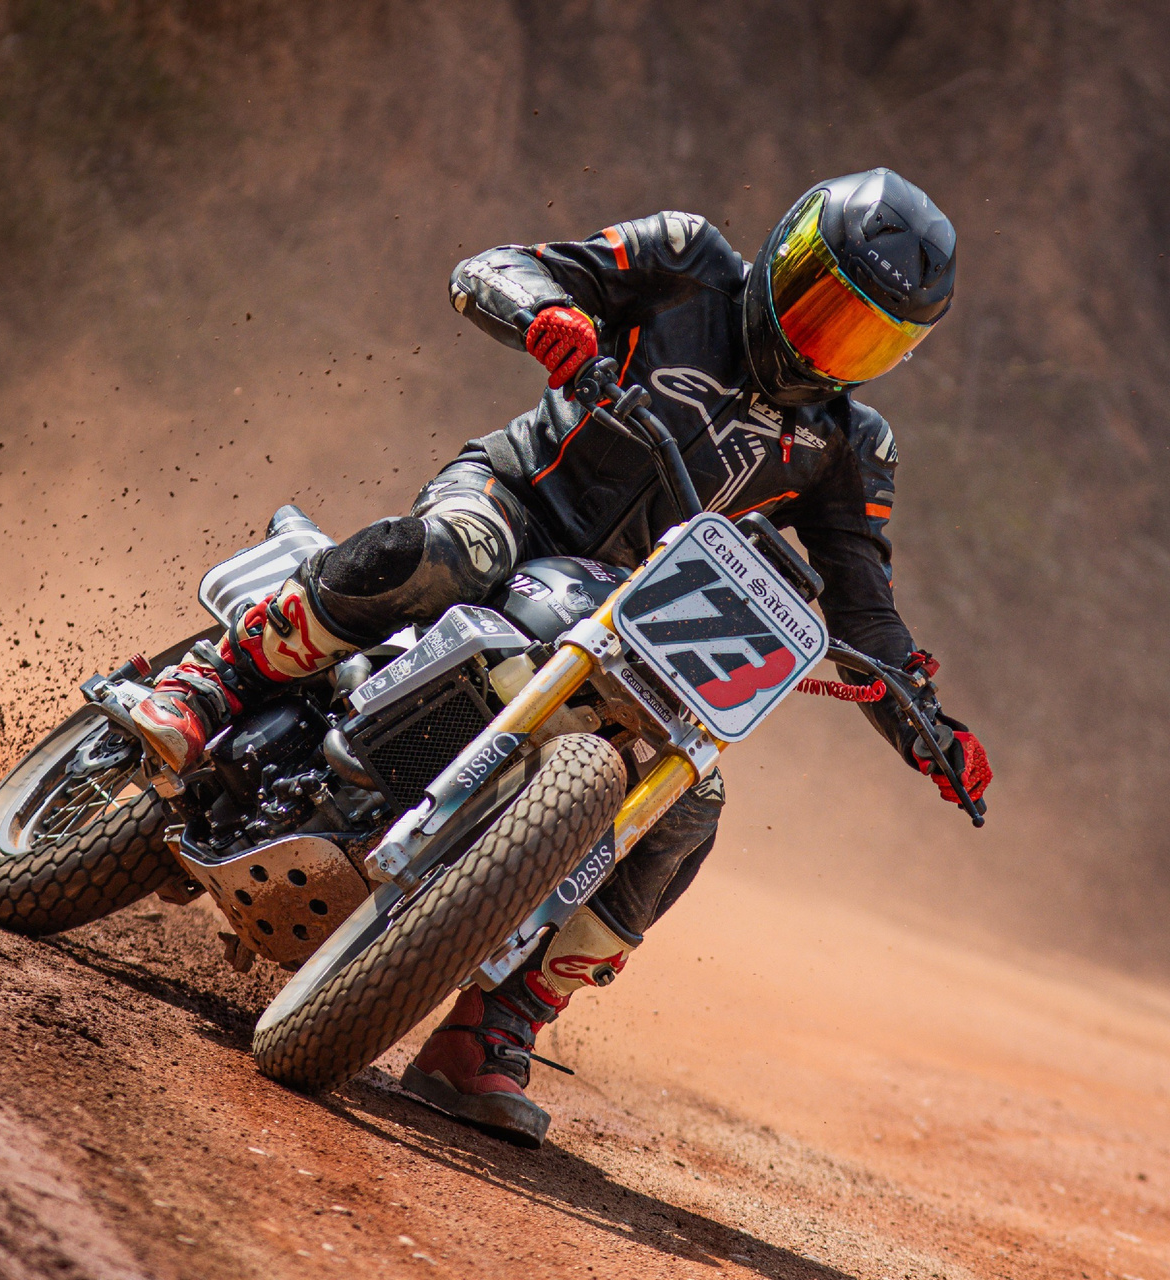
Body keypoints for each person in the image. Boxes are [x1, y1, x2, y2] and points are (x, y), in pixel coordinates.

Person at [130, 168, 993, 1146]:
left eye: (865, 337)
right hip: (518, 506)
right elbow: (495, 267)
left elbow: (866, 612)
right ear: (786, 252)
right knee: (450, 551)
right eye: (823, 305)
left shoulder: (848, 445)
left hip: (630, 618)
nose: (825, 343)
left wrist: (929, 729)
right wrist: (548, 316)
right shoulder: (685, 262)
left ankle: (491, 1029)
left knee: (688, 804)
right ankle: (211, 684)